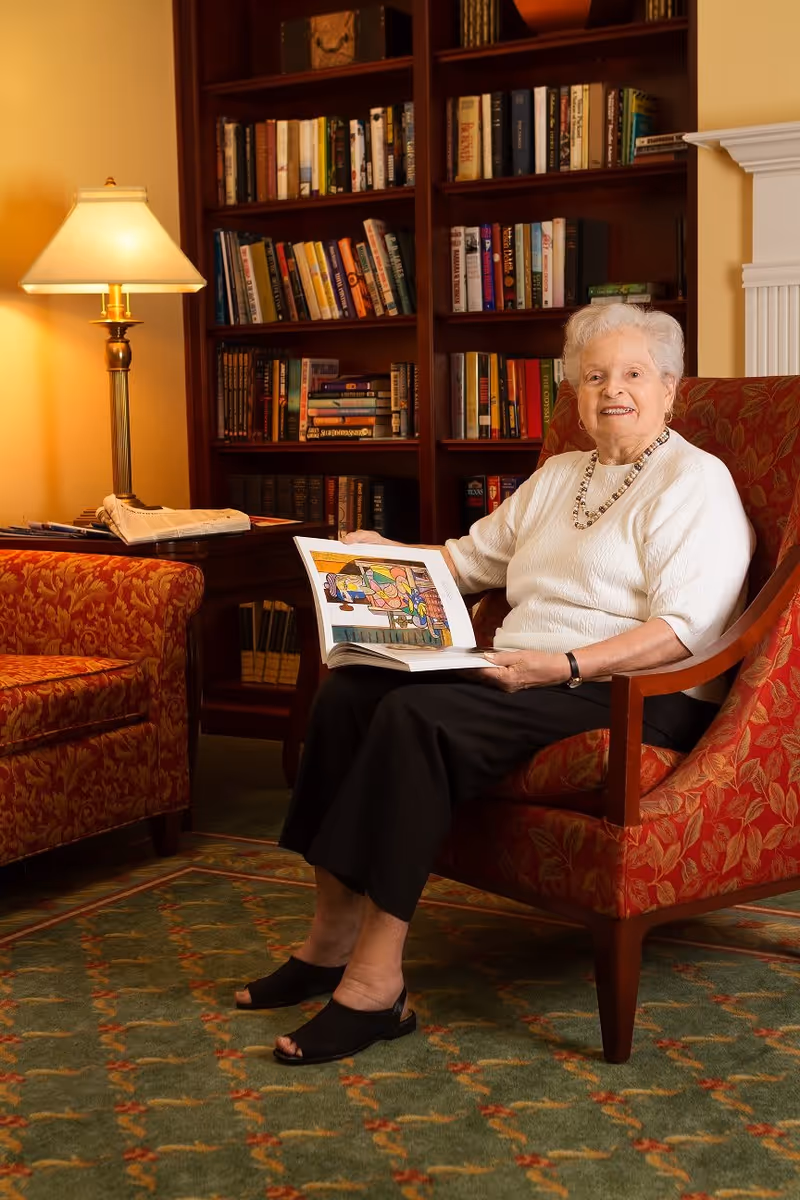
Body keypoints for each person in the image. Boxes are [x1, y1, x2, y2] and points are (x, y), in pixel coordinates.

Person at [235, 303, 755, 1066]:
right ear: (575, 392)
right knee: (350, 691)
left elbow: (686, 630)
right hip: (525, 669)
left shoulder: (695, 481)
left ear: (671, 390)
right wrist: (389, 552)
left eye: (634, 375)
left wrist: (569, 664)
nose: (613, 390)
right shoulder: (559, 476)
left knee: (421, 718)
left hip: (634, 689)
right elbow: (468, 561)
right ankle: (327, 942)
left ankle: (376, 985)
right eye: (594, 376)